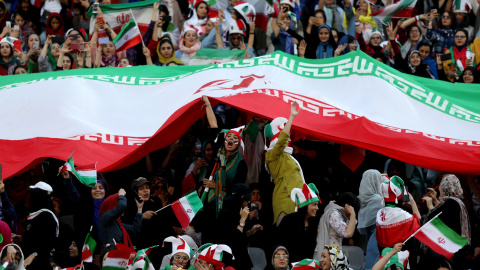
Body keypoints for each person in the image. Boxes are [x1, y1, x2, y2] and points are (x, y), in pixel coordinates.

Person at [265, 101, 304, 225]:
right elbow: (282, 141)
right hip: (285, 200)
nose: (290, 139)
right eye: (287, 136)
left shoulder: (288, 157)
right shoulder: (272, 156)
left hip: (297, 201)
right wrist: (291, 117)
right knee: (285, 237)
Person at [420, 174, 470, 269]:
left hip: (446, 251)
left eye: (441, 185)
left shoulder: (451, 203)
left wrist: (430, 205)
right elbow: (444, 213)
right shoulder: (458, 202)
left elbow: (437, 222)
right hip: (455, 248)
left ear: (445, 187)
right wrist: (435, 200)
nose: (439, 188)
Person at [278, 183, 320, 262]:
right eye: (314, 205)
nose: (317, 208)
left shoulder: (314, 223)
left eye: (317, 205)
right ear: (305, 205)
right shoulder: (288, 220)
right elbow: (280, 245)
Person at [376, 176, 421, 251]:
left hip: (385, 257)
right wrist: (413, 202)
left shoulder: (379, 214)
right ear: (399, 197)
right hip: (402, 257)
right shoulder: (403, 215)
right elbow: (418, 223)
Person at [22, 181, 58, 269]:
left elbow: (47, 243)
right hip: (28, 262)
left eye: (34, 194)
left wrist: (33, 256)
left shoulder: (46, 217)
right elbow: (35, 237)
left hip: (38, 264)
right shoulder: (36, 214)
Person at [315, 192, 357, 260]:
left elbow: (350, 227)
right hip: (327, 255)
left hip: (332, 253)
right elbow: (348, 233)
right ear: (347, 206)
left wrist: (351, 216)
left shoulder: (338, 212)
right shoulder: (334, 214)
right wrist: (352, 214)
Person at [357, 170, 383, 270]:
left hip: (366, 232)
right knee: (373, 251)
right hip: (377, 230)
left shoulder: (360, 199)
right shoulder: (378, 199)